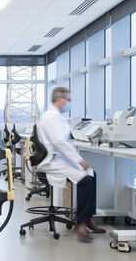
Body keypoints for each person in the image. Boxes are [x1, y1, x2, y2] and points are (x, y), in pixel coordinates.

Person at [36, 87, 106, 241]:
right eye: (67, 99)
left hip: (57, 158)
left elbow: (58, 141)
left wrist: (72, 151)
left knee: (92, 174)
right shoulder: (52, 116)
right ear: (60, 100)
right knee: (85, 180)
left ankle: (88, 218)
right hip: (52, 162)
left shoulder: (52, 115)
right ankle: (80, 223)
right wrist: (78, 159)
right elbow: (58, 141)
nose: (69, 103)